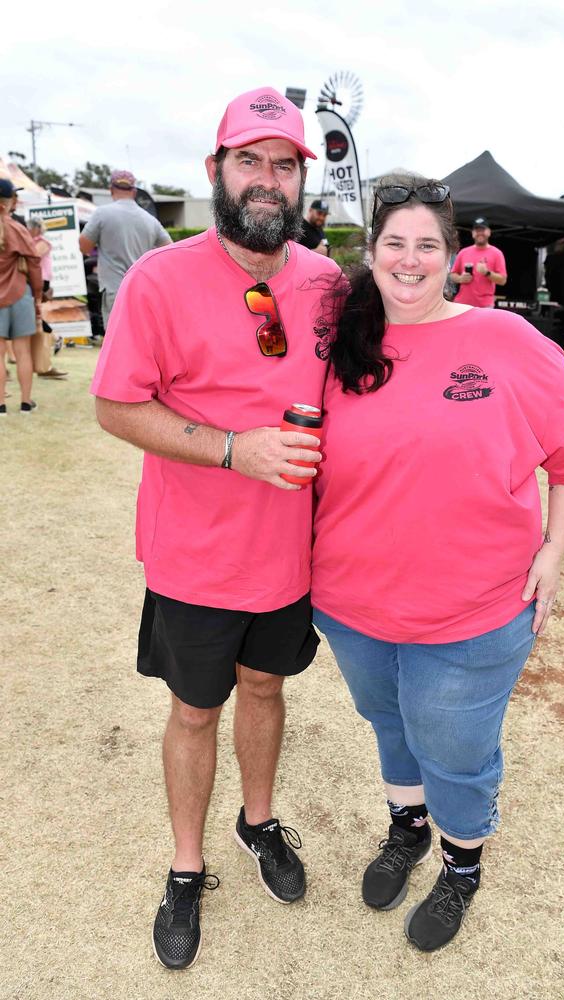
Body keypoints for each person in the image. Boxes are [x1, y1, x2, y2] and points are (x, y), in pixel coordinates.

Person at [310, 173, 564, 953]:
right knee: (389, 722)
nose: (409, 261)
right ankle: (407, 828)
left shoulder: (508, 341)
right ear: (370, 253)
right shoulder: (342, 341)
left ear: (455, 256)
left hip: (474, 607)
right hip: (350, 601)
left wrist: (554, 551)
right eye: (394, 245)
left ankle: (461, 864)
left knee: (454, 748)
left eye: (426, 246)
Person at [91, 85, 340, 970]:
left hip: (289, 556)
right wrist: (234, 448)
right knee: (196, 709)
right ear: (217, 171)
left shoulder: (328, 284)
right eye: (250, 160)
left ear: (302, 180)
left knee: (267, 692)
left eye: (284, 163)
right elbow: (116, 405)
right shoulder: (161, 278)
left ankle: (258, 822)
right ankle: (186, 866)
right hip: (194, 556)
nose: (267, 179)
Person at [79, 169, 172, 329]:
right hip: (144, 291)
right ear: (134, 191)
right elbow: (170, 251)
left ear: (111, 190)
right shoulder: (150, 220)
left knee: (117, 341)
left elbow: (84, 246)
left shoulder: (102, 213)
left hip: (114, 288)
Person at [0, 178, 42, 415]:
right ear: (9, 202)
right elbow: (35, 263)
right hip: (19, 295)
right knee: (22, 351)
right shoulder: (17, 228)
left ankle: (1, 406)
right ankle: (26, 403)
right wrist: (37, 294)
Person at [26, 217, 67, 380]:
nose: (27, 230)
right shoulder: (34, 241)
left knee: (35, 315)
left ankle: (55, 339)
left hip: (39, 280)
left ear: (35, 228)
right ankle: (55, 339)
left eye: (28, 227)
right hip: (35, 280)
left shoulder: (42, 242)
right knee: (35, 316)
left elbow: (32, 257)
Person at [449, 216, 507, 307]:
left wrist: (487, 273)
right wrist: (461, 279)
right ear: (472, 233)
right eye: (477, 230)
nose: (480, 233)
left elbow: (503, 280)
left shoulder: (497, 253)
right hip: (462, 305)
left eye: (482, 230)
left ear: (489, 232)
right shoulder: (463, 252)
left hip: (485, 306)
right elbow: (452, 275)